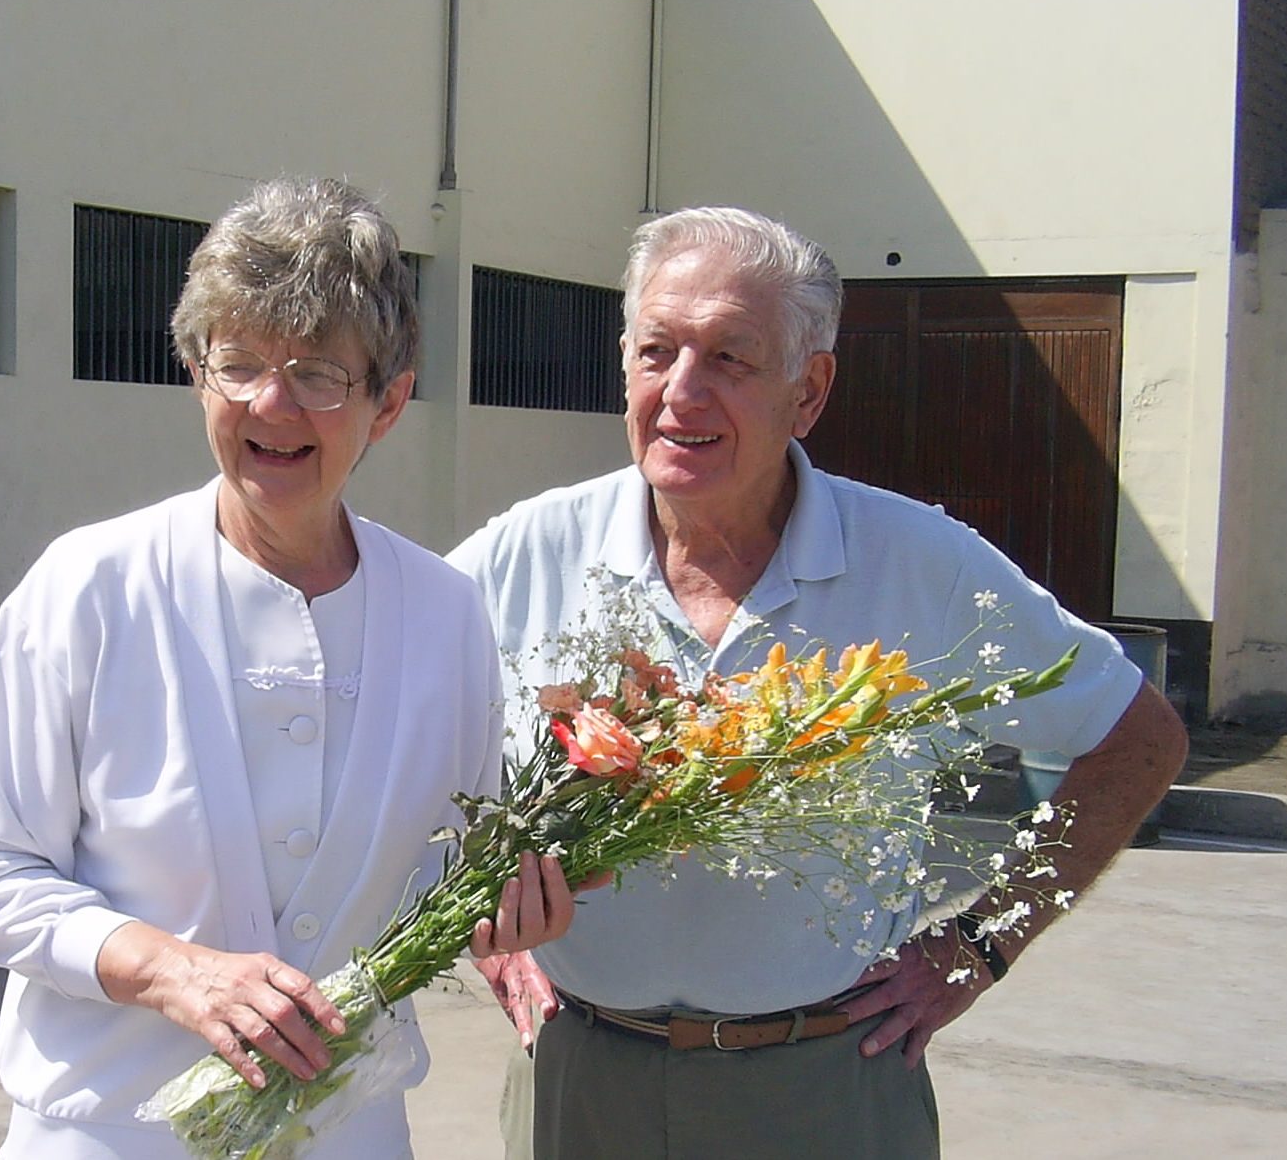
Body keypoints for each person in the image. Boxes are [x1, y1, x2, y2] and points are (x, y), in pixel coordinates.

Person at [450, 206, 1188, 1159]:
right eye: (655, 351)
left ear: (809, 390)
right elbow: (383, 726)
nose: (681, 392)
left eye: (729, 358)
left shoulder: (920, 563)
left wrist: (978, 946)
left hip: (825, 1087)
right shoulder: (527, 551)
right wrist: (475, 915)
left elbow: (1137, 739)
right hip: (580, 1079)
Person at [0, 177, 576, 1159]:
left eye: (319, 373)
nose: (271, 405)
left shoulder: (443, 613)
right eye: (239, 364)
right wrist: (169, 971)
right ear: (197, 373)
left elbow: (459, 866)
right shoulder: (90, 589)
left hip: (348, 1125)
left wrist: (511, 905)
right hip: (112, 1130)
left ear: (389, 402)